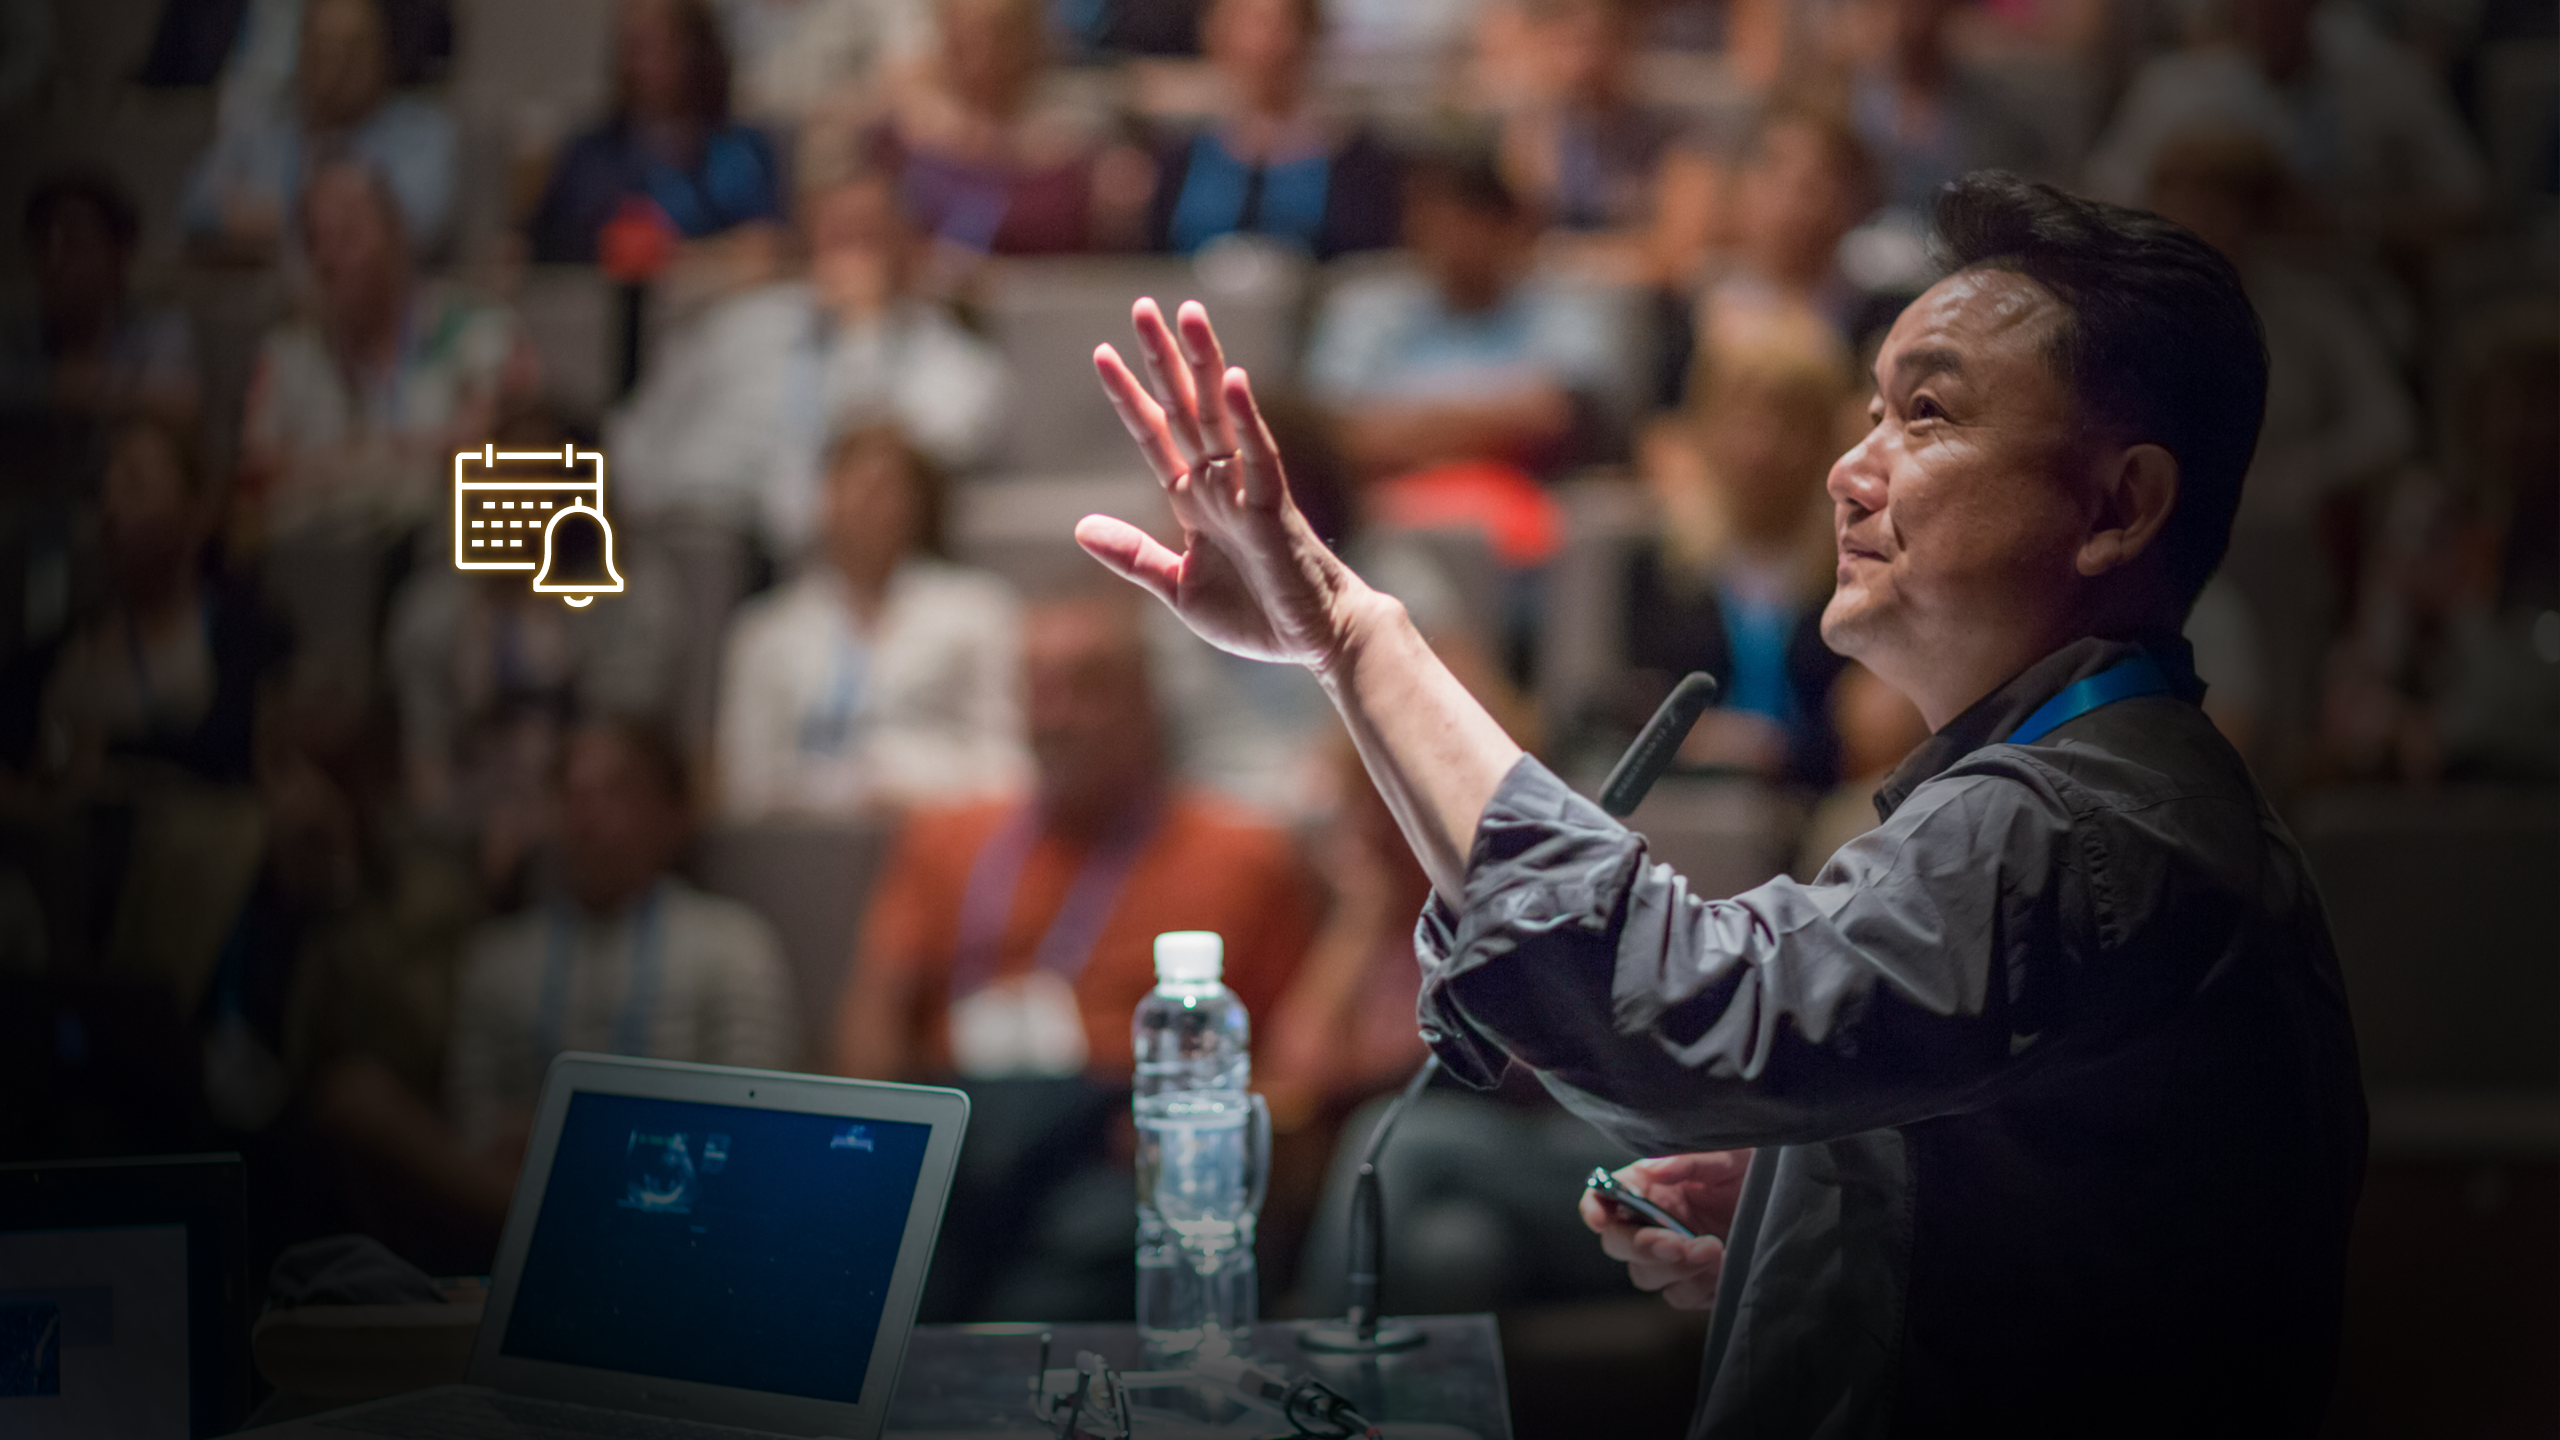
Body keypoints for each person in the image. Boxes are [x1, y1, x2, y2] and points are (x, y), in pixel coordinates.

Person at [1073, 171, 2364, 1432]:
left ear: (2119, 507)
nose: (1848, 472)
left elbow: (1695, 1012)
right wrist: (1825, 1211)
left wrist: (1354, 635)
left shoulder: (2084, 825)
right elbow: (2085, 1219)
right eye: (1869, 412)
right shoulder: (2090, 790)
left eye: (1927, 416)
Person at [829, 590, 1317, 1085]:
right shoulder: (943, 837)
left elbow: (1287, 1070)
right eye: (1037, 688)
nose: (1055, 715)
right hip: (964, 1124)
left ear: (1145, 699)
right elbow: (874, 1022)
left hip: (1131, 1136)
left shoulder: (1241, 857)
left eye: (1086, 687)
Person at [606, 167, 1011, 551]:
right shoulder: (740, 328)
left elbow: (893, 477)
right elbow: (642, 429)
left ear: (907, 248)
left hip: (844, 577)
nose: (849, 258)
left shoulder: (952, 362)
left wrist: (862, 335)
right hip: (694, 543)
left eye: (867, 237)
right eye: (835, 236)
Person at [445, 721, 796, 1153]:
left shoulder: (733, 946)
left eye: (615, 793)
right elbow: (474, 1136)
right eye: (571, 796)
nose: (587, 819)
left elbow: (752, 1125)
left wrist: (555, 1135)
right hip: (504, 1204)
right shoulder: (495, 961)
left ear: (671, 814)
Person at [713, 424, 1027, 821]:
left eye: (884, 489)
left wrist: (904, 779)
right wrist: (830, 790)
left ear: (917, 503)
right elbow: (744, 786)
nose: (866, 505)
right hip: (801, 846)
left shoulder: (979, 611)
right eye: (850, 487)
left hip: (935, 831)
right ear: (822, 500)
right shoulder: (765, 632)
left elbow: (1008, 768)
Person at [1613, 321, 1854, 787]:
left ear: (1826, 439)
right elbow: (1615, 703)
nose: (1762, 448)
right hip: (1683, 806)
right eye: (1745, 420)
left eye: (1790, 423)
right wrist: (1691, 739)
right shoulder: (1654, 558)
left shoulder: (1852, 564)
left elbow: (1862, 731)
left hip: (1813, 806)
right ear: (1706, 426)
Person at [2082, 0, 2487, 252]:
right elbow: (2099, 203)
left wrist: (2348, 224)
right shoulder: (2172, 88)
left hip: (2346, 299)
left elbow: (2474, 206)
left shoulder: (2386, 79)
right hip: (2194, 293)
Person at [848, 0, 1153, 260]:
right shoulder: (900, 139)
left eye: (999, 37)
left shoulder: (1082, 143)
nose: (982, 55)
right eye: (966, 37)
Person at [181, 0, 458, 258]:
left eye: (350, 49)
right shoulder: (264, 131)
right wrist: (319, 226)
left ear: (380, 53)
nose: (335, 68)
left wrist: (270, 218)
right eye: (322, 49)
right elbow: (195, 207)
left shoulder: (421, 133)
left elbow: (419, 223)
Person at [524, 0, 788, 268]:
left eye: (650, 47)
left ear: (694, 50)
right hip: (593, 304)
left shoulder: (739, 152)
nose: (636, 65)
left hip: (716, 305)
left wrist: (675, 256)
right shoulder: (589, 156)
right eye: (628, 48)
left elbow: (765, 246)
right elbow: (531, 247)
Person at [1144, 0, 1401, 260]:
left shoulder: (1356, 161)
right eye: (1252, 24)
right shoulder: (1181, 158)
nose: (1267, 43)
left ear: (1308, 34)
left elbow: (1365, 263)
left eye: (1282, 24)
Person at [0, 172, 201, 429]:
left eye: (75, 244)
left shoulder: (156, 329)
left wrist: (83, 386)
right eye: (44, 245)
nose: (56, 262)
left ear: (120, 254)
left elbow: (180, 403)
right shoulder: (18, 338)